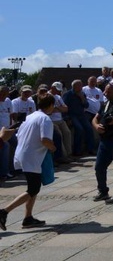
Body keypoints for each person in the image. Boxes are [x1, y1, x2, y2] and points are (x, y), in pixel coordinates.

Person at [0, 93, 56, 230]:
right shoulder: (45, 119)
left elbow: (19, 135)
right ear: (51, 105)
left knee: (33, 187)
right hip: (32, 157)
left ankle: (28, 218)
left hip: (22, 154)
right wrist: (54, 148)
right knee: (33, 188)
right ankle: (4, 212)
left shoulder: (29, 117)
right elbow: (45, 140)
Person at [63, 80, 96, 156]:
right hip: (72, 115)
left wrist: (82, 99)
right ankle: (77, 151)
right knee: (79, 129)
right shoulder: (68, 94)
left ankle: (90, 149)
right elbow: (65, 107)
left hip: (81, 115)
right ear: (74, 86)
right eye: (79, 86)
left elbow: (86, 105)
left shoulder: (82, 94)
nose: (81, 88)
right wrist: (67, 118)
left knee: (89, 128)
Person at [48, 82, 72, 163]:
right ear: (52, 87)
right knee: (59, 135)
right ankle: (63, 155)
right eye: (57, 89)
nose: (58, 92)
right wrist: (59, 108)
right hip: (52, 121)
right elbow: (50, 111)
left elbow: (66, 108)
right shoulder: (47, 96)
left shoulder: (58, 97)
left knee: (67, 133)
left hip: (60, 120)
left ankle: (69, 153)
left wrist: (57, 108)